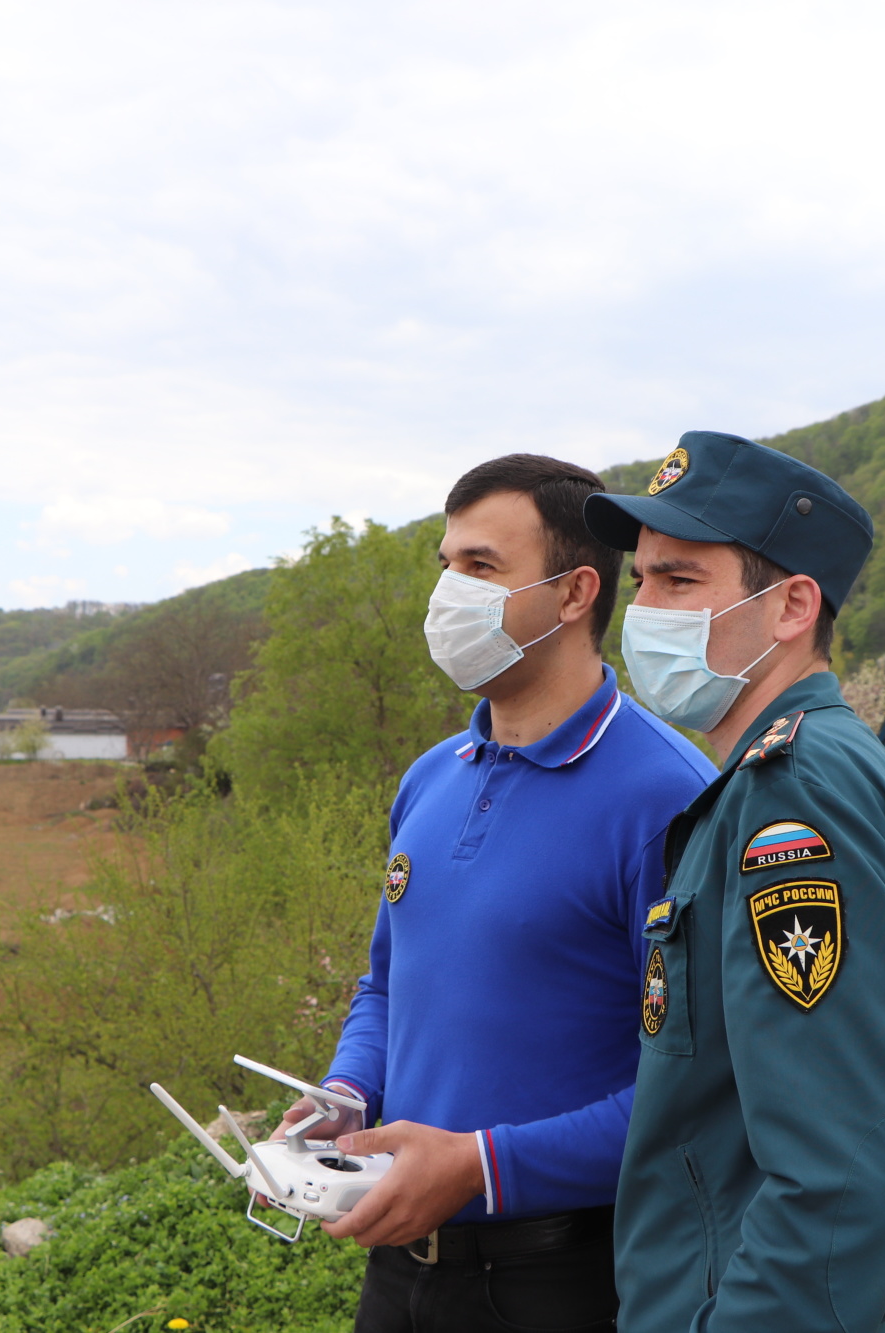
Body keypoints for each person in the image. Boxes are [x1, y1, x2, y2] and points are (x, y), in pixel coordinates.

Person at [270, 453, 718, 1333]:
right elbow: (390, 984)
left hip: (561, 1276)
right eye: (446, 566)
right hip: (399, 1269)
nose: (449, 593)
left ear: (574, 592)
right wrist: (349, 1097)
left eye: (481, 567)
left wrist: (481, 1166)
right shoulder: (432, 777)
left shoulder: (669, 798)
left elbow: (699, 1087)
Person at [581, 430, 885, 1333]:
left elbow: (839, 1171)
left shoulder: (796, 789)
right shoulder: (798, 766)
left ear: (791, 607)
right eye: (642, 582)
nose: (645, 611)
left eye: (680, 581)